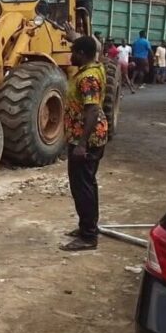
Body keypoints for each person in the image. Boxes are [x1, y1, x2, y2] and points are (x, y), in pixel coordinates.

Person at [60, 36, 109, 251]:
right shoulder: (94, 67)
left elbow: (92, 110)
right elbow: (93, 48)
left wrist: (81, 144)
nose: (70, 55)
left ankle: (88, 237)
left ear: (81, 53)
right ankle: (87, 227)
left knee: (83, 187)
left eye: (72, 50)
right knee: (86, 184)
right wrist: (75, 36)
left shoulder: (88, 77)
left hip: (86, 139)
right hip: (86, 137)